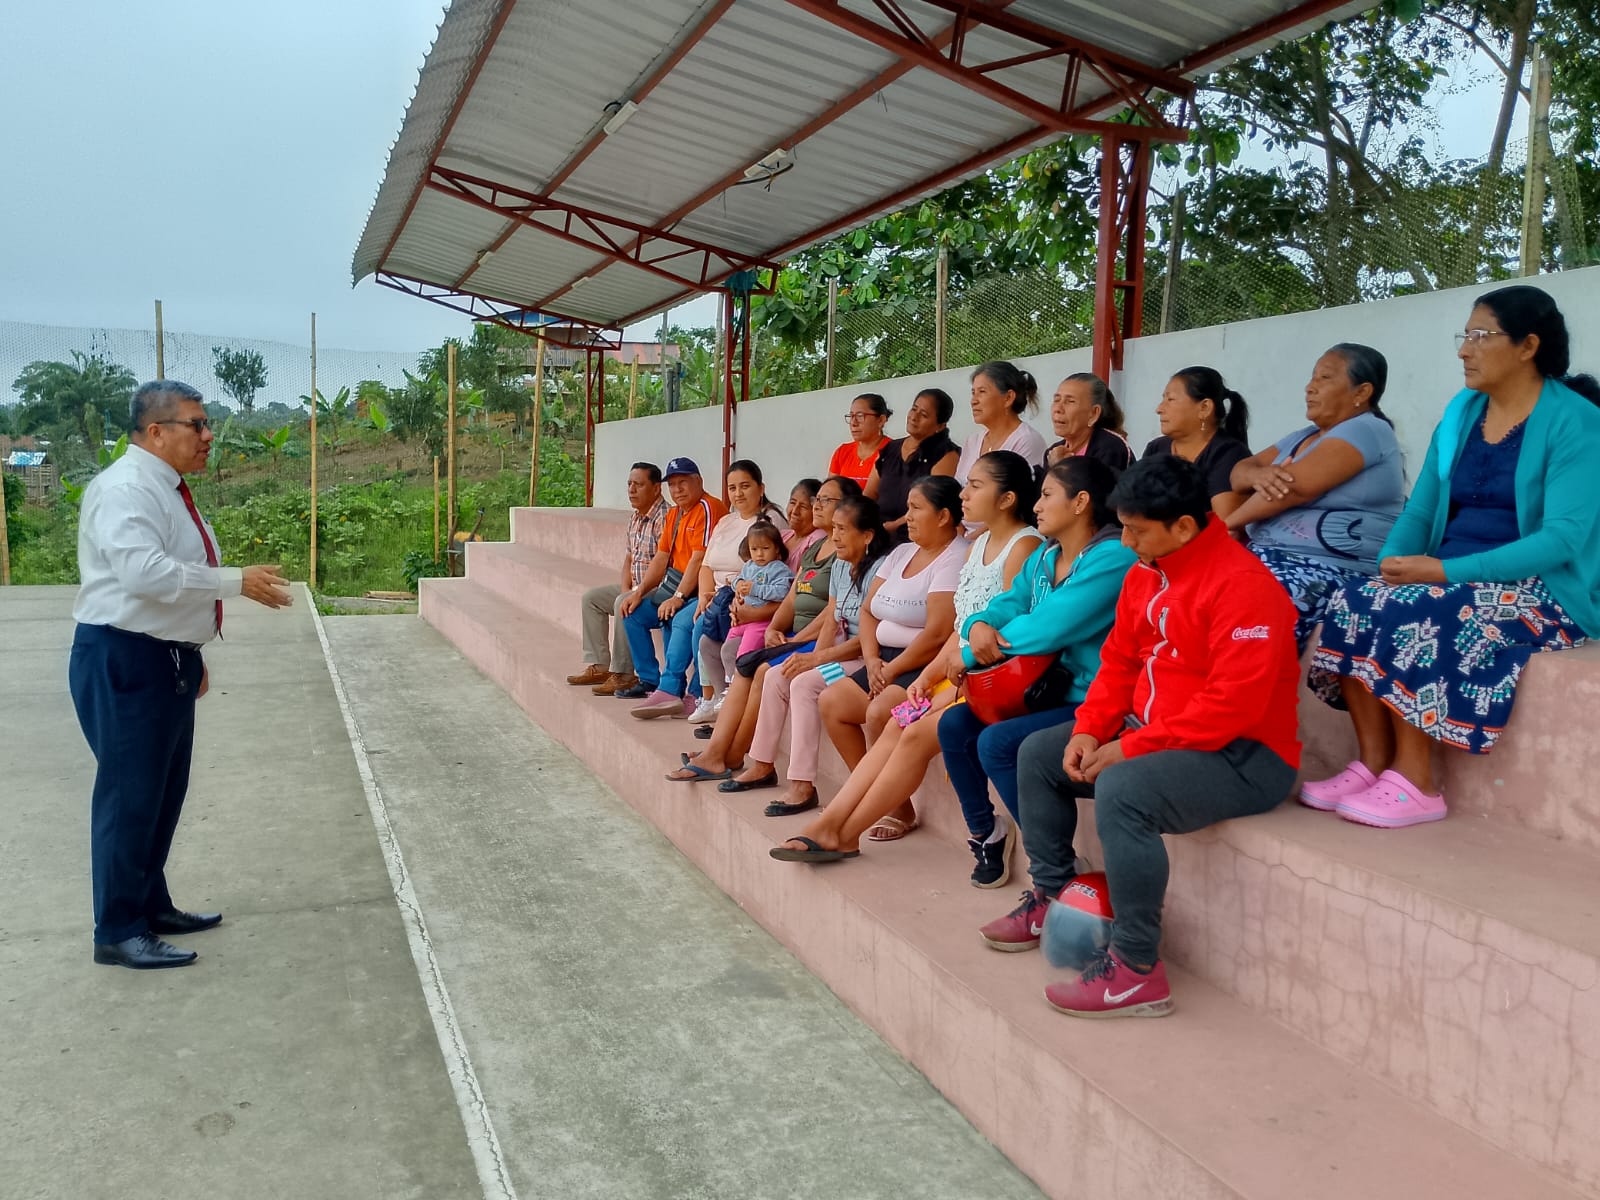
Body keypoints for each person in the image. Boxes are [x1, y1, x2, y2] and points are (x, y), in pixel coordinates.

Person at [1001, 456, 1300, 1018]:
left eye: (1137, 530)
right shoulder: (1146, 570)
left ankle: (1136, 968)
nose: (1126, 541)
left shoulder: (1244, 587)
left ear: (1184, 527)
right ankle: (1052, 896)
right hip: (1160, 733)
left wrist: (1130, 747)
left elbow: (1231, 707)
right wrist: (1090, 729)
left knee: (1125, 790)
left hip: (1245, 756)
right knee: (1039, 752)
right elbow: (1118, 663)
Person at [1304, 286, 1600, 827]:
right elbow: (1421, 509)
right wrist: (1394, 561)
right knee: (1355, 597)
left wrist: (1442, 572)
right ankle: (1373, 763)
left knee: (1421, 607)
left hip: (1545, 587)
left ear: (1528, 346)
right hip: (1453, 573)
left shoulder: (1575, 421)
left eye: (1481, 336)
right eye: (1465, 336)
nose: (1465, 349)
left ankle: (1417, 782)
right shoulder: (1462, 416)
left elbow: (1562, 539)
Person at [70, 380, 293, 970]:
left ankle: (149, 905)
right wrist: (234, 582)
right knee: (130, 796)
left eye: (206, 423)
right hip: (126, 658)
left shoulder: (164, 488)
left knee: (162, 793)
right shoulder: (125, 489)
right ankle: (118, 930)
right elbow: (145, 575)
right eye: (196, 424)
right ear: (156, 431)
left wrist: (190, 654)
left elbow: (173, 575)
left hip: (162, 658)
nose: (208, 435)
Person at [771, 453, 1059, 865]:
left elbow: (1001, 635)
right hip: (954, 672)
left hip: (989, 679)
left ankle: (841, 832)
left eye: (976, 486)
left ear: (1007, 498)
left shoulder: (1024, 545)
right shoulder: (978, 546)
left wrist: (943, 676)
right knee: (897, 725)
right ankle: (832, 825)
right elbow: (961, 627)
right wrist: (928, 676)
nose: (965, 494)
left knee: (908, 731)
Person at [937, 457, 1134, 886]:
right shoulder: (1046, 554)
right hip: (1042, 690)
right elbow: (1007, 604)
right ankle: (987, 833)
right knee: (954, 725)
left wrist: (969, 655)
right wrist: (978, 626)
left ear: (1080, 502)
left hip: (1092, 699)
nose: (1037, 505)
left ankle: (1054, 862)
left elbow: (1049, 627)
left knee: (997, 743)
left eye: (1047, 495)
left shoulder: (1114, 557)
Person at [667, 478, 858, 783]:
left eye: (824, 500)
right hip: (793, 635)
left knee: (760, 669)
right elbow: (792, 597)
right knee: (746, 664)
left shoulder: (844, 553)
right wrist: (775, 628)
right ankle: (721, 753)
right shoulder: (816, 549)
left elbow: (833, 612)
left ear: (848, 508)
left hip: (816, 639)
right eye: (818, 499)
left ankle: (728, 755)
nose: (816, 506)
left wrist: (795, 639)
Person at [1223, 345, 1405, 652]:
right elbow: (1239, 472)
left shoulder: (1366, 429)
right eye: (1312, 377)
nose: (1310, 386)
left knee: (1245, 608)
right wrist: (1258, 476)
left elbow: (1293, 488)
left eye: (1325, 378)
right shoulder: (1303, 435)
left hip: (1326, 567)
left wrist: (1228, 525)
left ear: (1362, 392)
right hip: (1267, 558)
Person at [721, 495, 891, 813]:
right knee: (777, 674)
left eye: (843, 529)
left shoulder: (881, 570)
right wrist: (812, 656)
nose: (835, 536)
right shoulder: (841, 564)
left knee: (804, 683)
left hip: (862, 658)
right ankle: (762, 766)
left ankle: (802, 785)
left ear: (867, 535)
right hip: (838, 653)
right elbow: (832, 619)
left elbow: (870, 639)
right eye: (833, 528)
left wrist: (817, 660)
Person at [672, 459, 788, 723]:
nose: (738, 494)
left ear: (761, 488)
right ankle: (707, 697)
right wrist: (703, 597)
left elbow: (775, 568)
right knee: (689, 621)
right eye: (732, 488)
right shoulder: (726, 521)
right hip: (716, 594)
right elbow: (706, 564)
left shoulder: (770, 520)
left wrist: (733, 595)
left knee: (701, 627)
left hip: (744, 598)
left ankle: (712, 696)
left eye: (745, 486)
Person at [618, 457, 728, 713]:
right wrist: (639, 593)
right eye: (673, 484)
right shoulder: (675, 513)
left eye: (683, 482)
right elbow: (662, 556)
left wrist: (677, 597)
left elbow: (699, 558)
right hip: (678, 587)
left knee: (679, 618)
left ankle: (683, 692)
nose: (677, 490)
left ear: (698, 481)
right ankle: (652, 681)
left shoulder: (708, 507)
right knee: (632, 612)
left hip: (702, 590)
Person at [565, 462, 669, 695]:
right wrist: (626, 589)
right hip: (636, 587)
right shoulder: (635, 517)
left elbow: (664, 565)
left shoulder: (665, 518)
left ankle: (624, 674)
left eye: (638, 484)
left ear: (656, 489)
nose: (631, 490)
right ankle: (600, 665)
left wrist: (633, 594)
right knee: (591, 599)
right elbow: (629, 559)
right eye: (629, 484)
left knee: (624, 602)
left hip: (658, 589)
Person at [1142, 366, 1252, 520]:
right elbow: (1134, 504)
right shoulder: (1156, 448)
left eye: (1170, 399)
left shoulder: (1228, 454)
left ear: (1204, 408)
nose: (1159, 409)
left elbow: (1226, 526)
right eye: (1163, 399)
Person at [867, 387, 959, 542]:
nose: (914, 417)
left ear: (940, 426)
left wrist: (895, 525)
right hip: (878, 531)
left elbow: (932, 504)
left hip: (914, 536)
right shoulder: (890, 449)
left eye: (924, 415)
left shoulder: (946, 455)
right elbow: (869, 494)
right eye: (914, 409)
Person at [954, 361, 1050, 487]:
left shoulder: (1026, 441)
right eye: (973, 393)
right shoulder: (972, 442)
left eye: (982, 392)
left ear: (1008, 398)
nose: (973, 401)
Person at [1045, 373, 1135, 474]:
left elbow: (1096, 483)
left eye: (1070, 401)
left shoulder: (1111, 448)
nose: (1058, 409)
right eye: (1056, 400)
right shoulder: (1053, 453)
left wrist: (1060, 467)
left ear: (1094, 413)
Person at [827, 393, 893, 486]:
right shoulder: (842, 452)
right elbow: (830, 490)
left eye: (860, 416)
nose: (853, 423)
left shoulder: (894, 452)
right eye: (851, 416)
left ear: (881, 420)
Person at [781, 478, 826, 572]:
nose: (795, 511)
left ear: (816, 511)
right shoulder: (782, 536)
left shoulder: (817, 539)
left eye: (803, 507)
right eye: (792, 503)